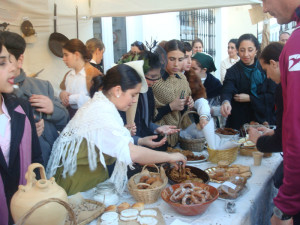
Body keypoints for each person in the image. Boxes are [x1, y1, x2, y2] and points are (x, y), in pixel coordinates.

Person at [46, 62, 186, 195]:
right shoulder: (101, 111)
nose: (134, 100)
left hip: (89, 179)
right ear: (117, 90)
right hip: (77, 185)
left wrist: (141, 141)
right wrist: (170, 157)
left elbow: (112, 141)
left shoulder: (102, 105)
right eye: (133, 94)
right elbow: (131, 153)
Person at [0, 31, 69, 166]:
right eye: (3, 62)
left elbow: (65, 122)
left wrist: (52, 109)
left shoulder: (43, 86)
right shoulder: (5, 98)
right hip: (23, 171)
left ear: (20, 60)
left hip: (53, 162)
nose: (10, 68)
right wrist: (25, 135)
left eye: (9, 61)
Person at [263, 0, 300, 224]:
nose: (265, 8)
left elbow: (296, 130)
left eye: (265, 0)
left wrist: (285, 206)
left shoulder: (296, 46)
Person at [0, 42, 43, 225]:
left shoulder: (20, 108)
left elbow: (36, 158)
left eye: (11, 61)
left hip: (25, 211)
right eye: (2, 63)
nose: (15, 67)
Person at [118, 51, 180, 150]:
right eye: (152, 77)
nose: (155, 81)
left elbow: (143, 121)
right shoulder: (124, 100)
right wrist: (138, 140)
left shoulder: (148, 90)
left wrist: (156, 128)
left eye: (157, 77)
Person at [220, 33, 277, 130]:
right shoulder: (232, 71)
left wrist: (251, 98)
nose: (246, 54)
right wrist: (226, 102)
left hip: (263, 120)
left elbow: (272, 95)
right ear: (237, 50)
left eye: (250, 50)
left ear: (256, 49)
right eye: (242, 50)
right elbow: (227, 89)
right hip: (240, 121)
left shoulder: (265, 69)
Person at [248, 42, 284, 189]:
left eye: (266, 70)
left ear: (274, 63)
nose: (267, 76)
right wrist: (275, 131)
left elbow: (285, 140)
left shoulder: (284, 89)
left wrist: (259, 141)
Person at [152, 39, 194, 147]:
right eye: (171, 59)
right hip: (157, 136)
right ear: (163, 58)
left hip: (177, 135)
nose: (176, 64)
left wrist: (188, 103)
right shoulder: (154, 80)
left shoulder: (182, 79)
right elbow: (147, 115)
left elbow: (183, 111)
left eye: (180, 60)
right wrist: (170, 107)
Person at [59, 39, 102, 118]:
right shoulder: (68, 75)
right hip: (70, 117)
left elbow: (101, 101)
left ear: (76, 55)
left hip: (88, 118)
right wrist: (62, 94)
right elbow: (63, 91)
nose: (63, 58)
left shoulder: (94, 74)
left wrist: (73, 99)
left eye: (66, 55)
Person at [187, 52, 222, 127]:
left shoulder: (215, 84)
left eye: (194, 69)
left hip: (209, 124)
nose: (190, 71)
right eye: (190, 67)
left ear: (204, 70)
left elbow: (222, 108)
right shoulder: (186, 80)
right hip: (190, 124)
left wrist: (209, 110)